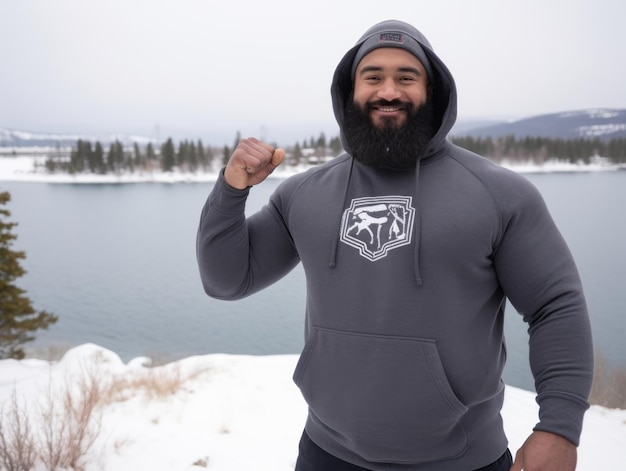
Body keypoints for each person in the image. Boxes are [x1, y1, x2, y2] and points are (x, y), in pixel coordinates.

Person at [196, 20, 593, 471]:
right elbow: (226, 280)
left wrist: (558, 428)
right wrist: (231, 192)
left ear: (433, 91)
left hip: (463, 461)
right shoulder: (304, 193)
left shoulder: (499, 194)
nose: (389, 90)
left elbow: (555, 307)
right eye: (373, 77)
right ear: (350, 92)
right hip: (326, 454)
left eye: (406, 77)